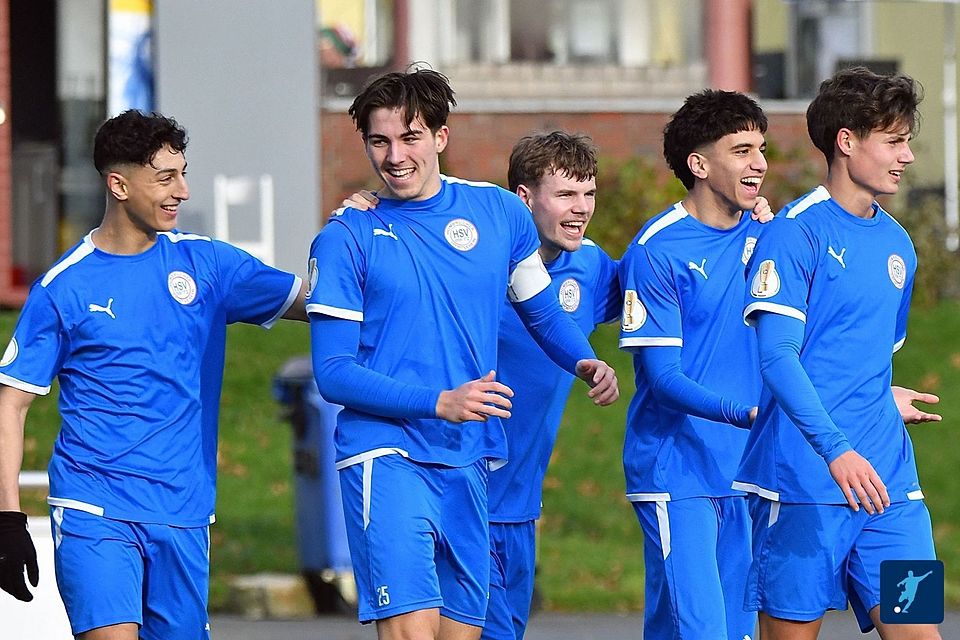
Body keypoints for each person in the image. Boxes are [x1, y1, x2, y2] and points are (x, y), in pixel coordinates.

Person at [305, 69, 617, 640]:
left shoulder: (499, 214)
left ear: (441, 137)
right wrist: (439, 401)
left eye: (411, 137)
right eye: (380, 142)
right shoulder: (345, 236)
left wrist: (582, 359)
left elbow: (542, 310)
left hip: (470, 458)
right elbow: (332, 373)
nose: (395, 156)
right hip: (386, 453)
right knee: (411, 629)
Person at [0, 110, 307, 640]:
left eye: (183, 173)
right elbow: (11, 403)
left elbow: (320, 304)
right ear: (118, 184)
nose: (183, 191)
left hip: (184, 513)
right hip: (95, 506)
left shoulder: (209, 265)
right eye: (166, 178)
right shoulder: (63, 286)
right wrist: (6, 519)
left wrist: (364, 237)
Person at [736, 67, 939, 639]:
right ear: (847, 141)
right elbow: (777, 358)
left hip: (890, 486)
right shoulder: (795, 234)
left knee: (919, 631)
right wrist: (835, 448)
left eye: (907, 141)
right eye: (894, 141)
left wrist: (879, 396)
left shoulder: (899, 244)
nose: (908, 156)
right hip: (804, 483)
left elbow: (862, 355)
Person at [617, 89, 771, 640]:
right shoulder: (658, 249)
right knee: (702, 631)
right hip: (675, 472)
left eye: (760, 148)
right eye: (741, 150)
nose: (759, 163)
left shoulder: (770, 236)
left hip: (746, 473)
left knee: (725, 630)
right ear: (700, 165)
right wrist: (746, 413)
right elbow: (662, 380)